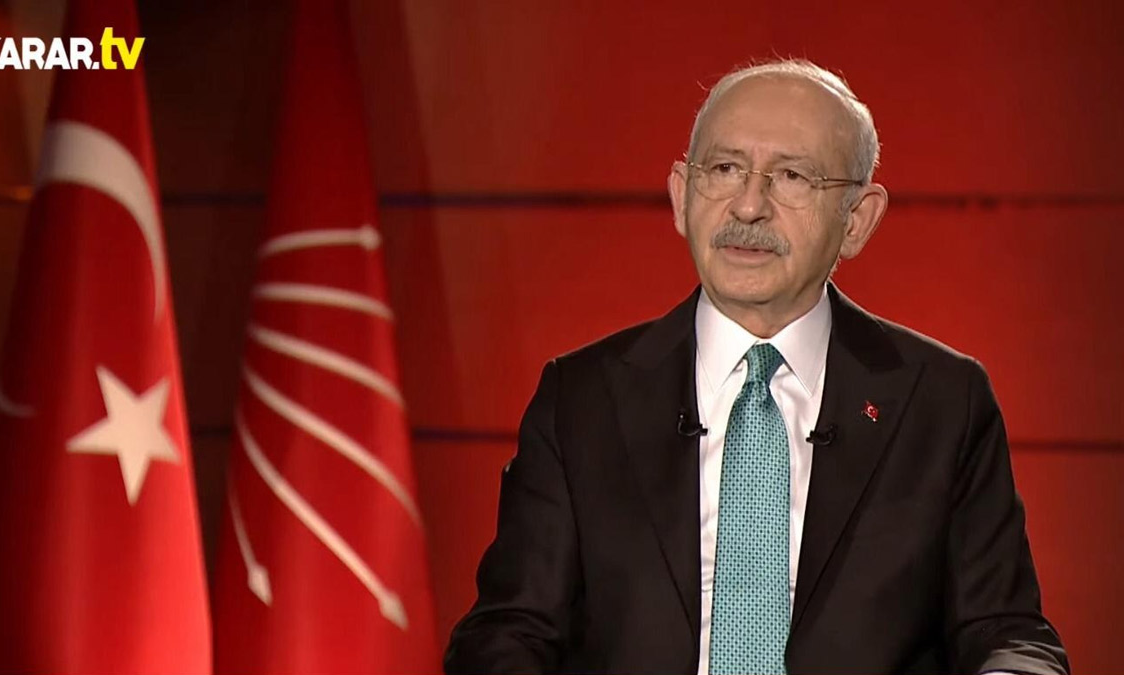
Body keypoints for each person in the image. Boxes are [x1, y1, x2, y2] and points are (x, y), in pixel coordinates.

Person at [443, 59, 1068, 675]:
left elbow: (1007, 633)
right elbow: (509, 632)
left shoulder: (943, 402)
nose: (748, 207)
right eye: (724, 169)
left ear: (856, 220)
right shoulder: (582, 398)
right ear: (681, 196)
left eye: (792, 176)